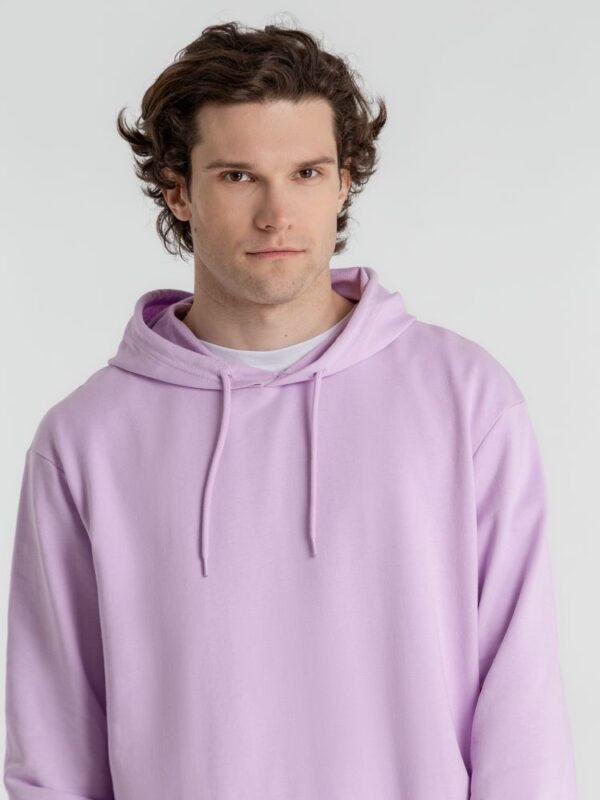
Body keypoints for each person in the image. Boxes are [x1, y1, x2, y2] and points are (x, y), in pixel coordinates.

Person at [3, 19, 577, 800]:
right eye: (239, 176)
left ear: (343, 182)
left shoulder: (466, 400)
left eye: (307, 172)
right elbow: (54, 753)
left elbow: (524, 720)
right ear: (179, 189)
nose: (278, 214)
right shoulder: (85, 441)